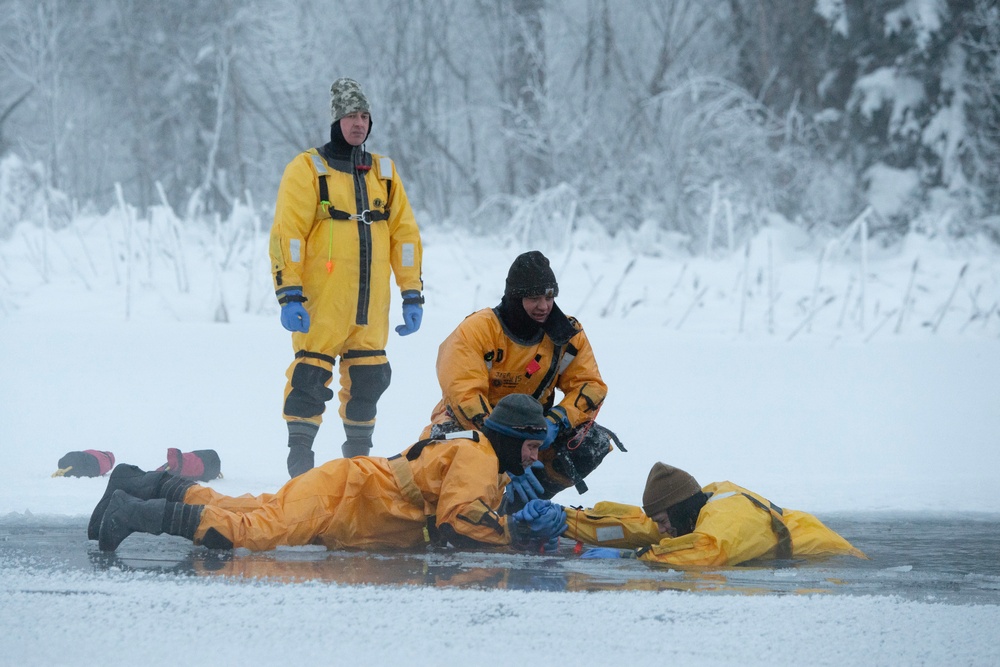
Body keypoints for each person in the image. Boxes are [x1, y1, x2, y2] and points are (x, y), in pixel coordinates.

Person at [91, 394, 567, 553]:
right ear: (508, 437)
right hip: (345, 495)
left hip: (348, 495)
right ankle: (134, 513)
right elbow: (456, 520)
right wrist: (512, 531)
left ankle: (138, 483)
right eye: (529, 446)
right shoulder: (480, 458)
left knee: (245, 507)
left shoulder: (480, 451)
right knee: (252, 530)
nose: (532, 457)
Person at [269, 77, 424, 478]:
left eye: (364, 116)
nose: (358, 123)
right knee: (309, 379)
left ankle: (357, 463)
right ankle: (300, 461)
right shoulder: (308, 169)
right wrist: (289, 293)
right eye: (351, 116)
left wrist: (412, 292)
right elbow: (288, 235)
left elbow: (405, 236)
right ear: (336, 120)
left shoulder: (384, 173)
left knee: (370, 381)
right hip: (322, 304)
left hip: (370, 309)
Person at [421, 250, 617, 509]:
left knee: (592, 442)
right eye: (534, 298)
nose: (544, 306)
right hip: (476, 426)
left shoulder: (565, 335)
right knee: (455, 451)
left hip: (534, 432)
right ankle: (458, 508)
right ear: (515, 297)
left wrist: (556, 422)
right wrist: (504, 450)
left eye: (549, 297)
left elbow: (590, 386)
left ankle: (522, 507)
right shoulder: (477, 330)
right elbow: (464, 394)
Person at [565, 462, 866, 566]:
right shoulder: (694, 509)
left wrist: (632, 558)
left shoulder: (728, 516)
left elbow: (706, 553)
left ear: (679, 509)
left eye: (664, 520)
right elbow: (643, 528)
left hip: (829, 564)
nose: (663, 529)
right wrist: (566, 520)